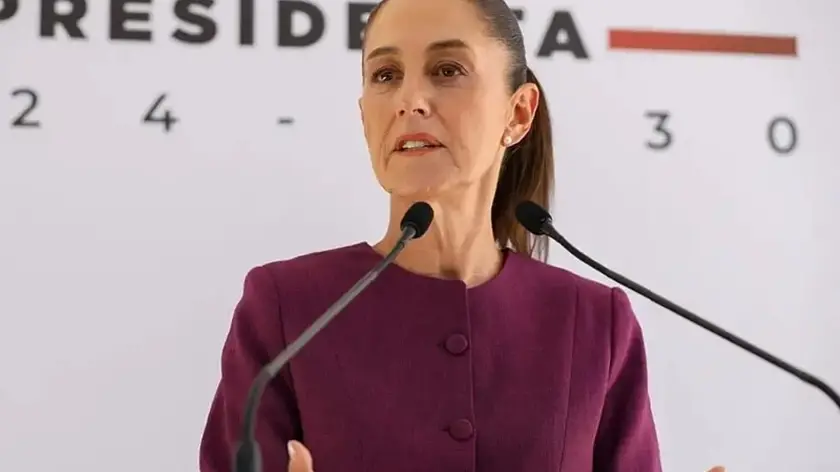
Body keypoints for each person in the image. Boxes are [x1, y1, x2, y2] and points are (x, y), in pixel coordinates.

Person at [199, 0, 725, 471]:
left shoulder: (596, 321)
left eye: (447, 70)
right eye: (385, 75)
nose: (410, 100)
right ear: (364, 115)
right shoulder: (285, 306)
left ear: (518, 113)